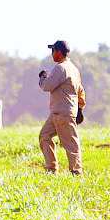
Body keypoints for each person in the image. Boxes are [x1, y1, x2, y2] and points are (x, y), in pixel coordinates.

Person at [38, 39, 84, 175]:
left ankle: (77, 172)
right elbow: (80, 90)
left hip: (62, 113)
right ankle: (51, 169)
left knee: (71, 144)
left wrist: (42, 77)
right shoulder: (73, 68)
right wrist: (80, 108)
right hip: (59, 113)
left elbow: (47, 86)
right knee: (44, 136)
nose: (52, 54)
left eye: (53, 51)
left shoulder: (61, 68)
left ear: (58, 52)